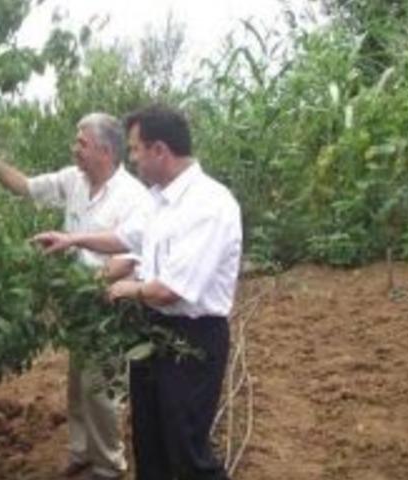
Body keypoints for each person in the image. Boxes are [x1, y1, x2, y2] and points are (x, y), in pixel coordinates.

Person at [33, 104, 242, 480]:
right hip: (152, 333)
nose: (131, 158)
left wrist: (127, 288)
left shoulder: (208, 204)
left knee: (186, 448)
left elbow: (171, 291)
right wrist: (71, 239)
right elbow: (125, 238)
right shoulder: (159, 200)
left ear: (159, 150)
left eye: (134, 149)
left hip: (191, 341)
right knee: (149, 441)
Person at [0, 113, 152, 480]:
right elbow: (25, 187)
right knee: (78, 383)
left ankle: (108, 465)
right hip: (79, 303)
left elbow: (129, 260)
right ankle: (82, 452)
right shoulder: (74, 181)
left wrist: (83, 286)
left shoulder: (134, 198)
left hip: (110, 306)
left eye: (81, 143)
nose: (74, 149)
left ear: (105, 149)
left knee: (100, 389)